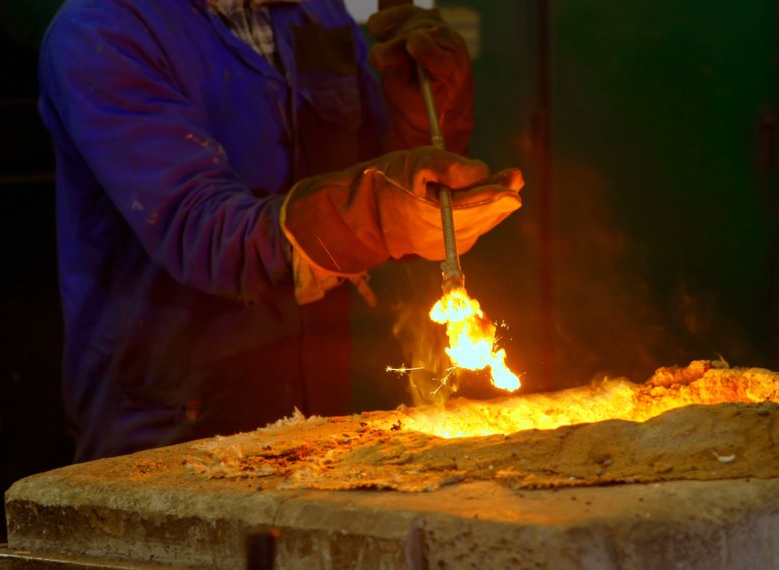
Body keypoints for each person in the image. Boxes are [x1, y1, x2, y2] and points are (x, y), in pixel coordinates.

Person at [37, 0, 523, 461]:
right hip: (169, 427)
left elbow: (370, 175)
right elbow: (205, 233)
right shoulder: (104, 31)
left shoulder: (315, 13)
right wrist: (372, 214)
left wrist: (420, 124)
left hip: (316, 414)